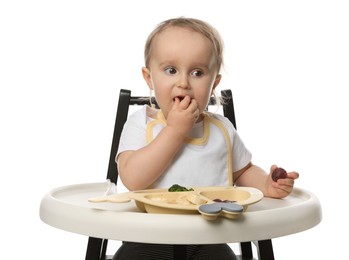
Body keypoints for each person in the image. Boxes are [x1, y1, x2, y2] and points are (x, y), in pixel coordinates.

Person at [113, 17, 299, 260]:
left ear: (214, 83)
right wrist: (175, 131)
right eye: (171, 70)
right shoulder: (142, 123)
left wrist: (267, 185)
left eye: (198, 72)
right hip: (149, 237)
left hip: (210, 238)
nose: (183, 83)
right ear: (149, 78)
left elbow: (242, 172)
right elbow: (133, 178)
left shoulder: (221, 129)